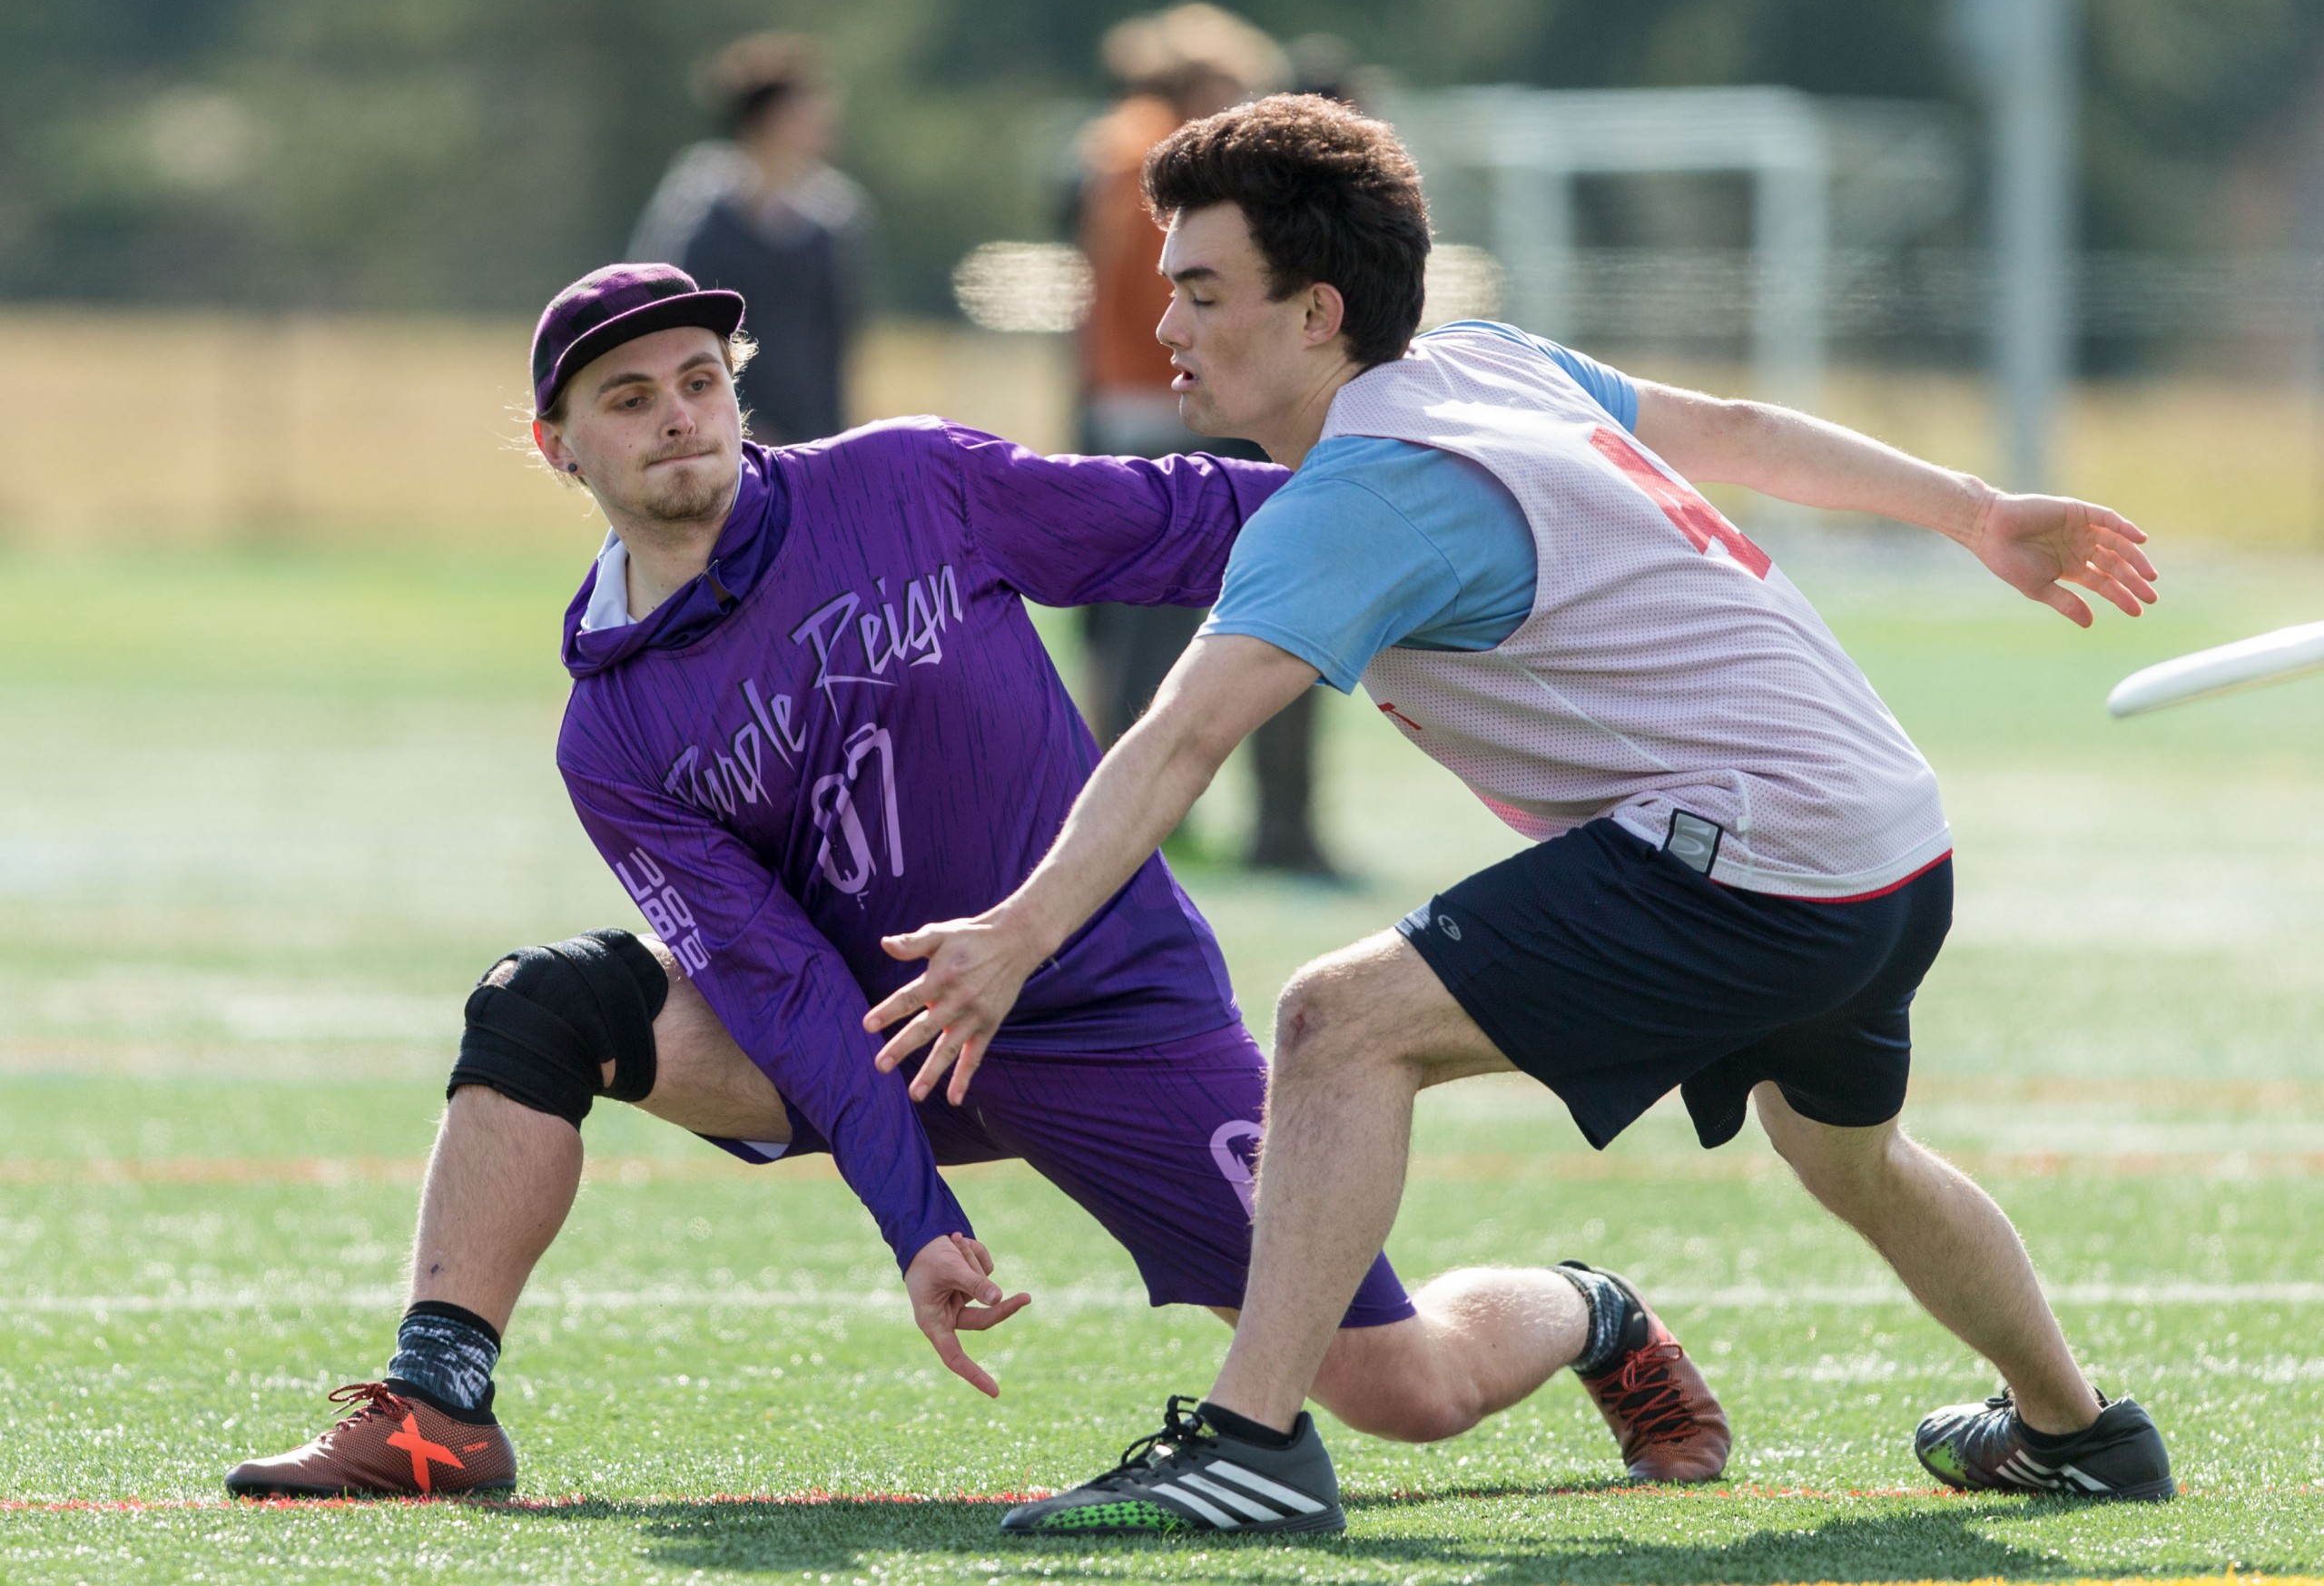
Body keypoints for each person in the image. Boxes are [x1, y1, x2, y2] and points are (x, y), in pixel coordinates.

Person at [864, 95, 2180, 1535]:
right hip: (1888, 846)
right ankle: (2080, 1428)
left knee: (1336, 1023)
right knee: (1848, 1152)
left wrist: (1014, 937)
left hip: (1759, 862)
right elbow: (1733, 430)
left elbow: (1178, 743)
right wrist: (1974, 509)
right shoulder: (1488, 363)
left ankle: (1251, 1440)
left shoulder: (1363, 493)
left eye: (1199, 290)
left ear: (1316, 313)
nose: (1165, 323)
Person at [220, 262, 1728, 1501]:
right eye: (628, 398)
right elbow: (779, 982)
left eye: (699, 381)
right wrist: (913, 1212)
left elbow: (1185, 521)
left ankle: (1592, 1305)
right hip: (874, 1041)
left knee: (1407, 1388)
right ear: (561, 448)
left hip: (1108, 1009)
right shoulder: (609, 732)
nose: (677, 417)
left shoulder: (909, 482)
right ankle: (438, 1412)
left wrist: (1467, 497)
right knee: (544, 1003)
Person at [1074, 3, 1334, 874]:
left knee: (1148, 625)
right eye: (1224, 85)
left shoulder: (1116, 149)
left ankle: (1144, 814)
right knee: (1191, 618)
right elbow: (1196, 292)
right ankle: (1148, 812)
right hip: (1175, 412)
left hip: (1138, 408)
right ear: (1191, 83)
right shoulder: (1154, 163)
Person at [630, 33, 869, 446]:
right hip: (715, 435)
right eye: (806, 107)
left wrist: (836, 437)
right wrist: (737, 420)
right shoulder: (700, 218)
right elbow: (674, 330)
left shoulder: (831, 223)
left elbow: (835, 344)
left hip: (809, 437)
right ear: (768, 119)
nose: (825, 118)